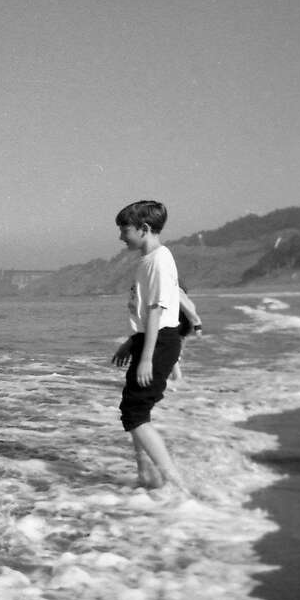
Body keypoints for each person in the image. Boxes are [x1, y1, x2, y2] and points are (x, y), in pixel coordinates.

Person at [110, 200, 187, 492]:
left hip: (157, 343)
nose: (121, 236)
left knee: (135, 414)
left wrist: (146, 357)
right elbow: (148, 313)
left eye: (124, 229)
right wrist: (132, 342)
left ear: (143, 228)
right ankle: (147, 476)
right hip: (149, 340)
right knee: (134, 411)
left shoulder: (158, 261)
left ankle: (176, 484)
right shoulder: (149, 260)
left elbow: (157, 311)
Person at [170, 285, 203, 383]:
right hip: (186, 326)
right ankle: (175, 377)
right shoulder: (187, 300)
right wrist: (197, 327)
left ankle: (177, 379)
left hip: (181, 325)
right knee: (176, 353)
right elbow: (192, 312)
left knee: (172, 353)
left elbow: (192, 314)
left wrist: (197, 325)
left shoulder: (175, 293)